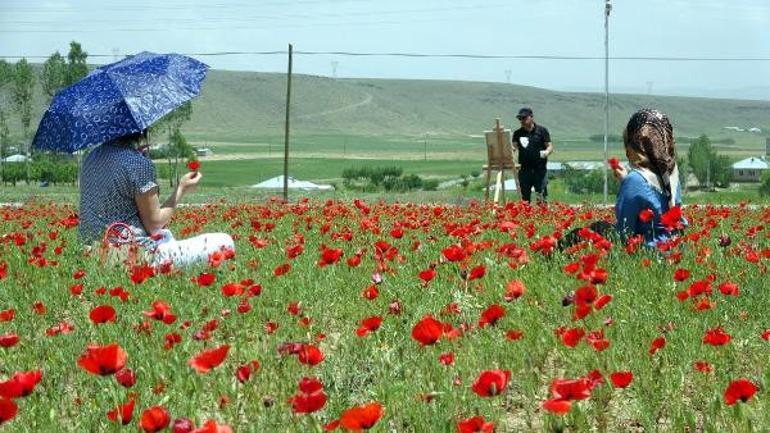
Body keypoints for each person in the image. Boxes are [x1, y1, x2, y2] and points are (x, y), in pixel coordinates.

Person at [78, 130, 234, 268]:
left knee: (167, 236)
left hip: (91, 253)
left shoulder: (90, 158)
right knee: (224, 242)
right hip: (130, 256)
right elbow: (155, 224)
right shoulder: (136, 163)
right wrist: (181, 189)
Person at [612, 108, 686, 247]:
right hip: (675, 251)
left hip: (647, 255)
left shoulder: (635, 181)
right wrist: (627, 181)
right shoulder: (671, 175)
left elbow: (624, 232)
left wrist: (628, 183)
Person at [513, 107, 553, 203]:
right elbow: (513, 147)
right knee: (524, 198)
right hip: (524, 170)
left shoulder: (542, 131)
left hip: (540, 170)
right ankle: (526, 217)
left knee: (541, 197)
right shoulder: (517, 133)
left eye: (524, 118)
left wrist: (547, 152)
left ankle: (542, 216)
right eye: (520, 119)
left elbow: (550, 146)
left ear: (531, 117)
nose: (522, 120)